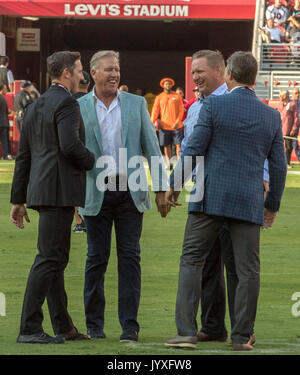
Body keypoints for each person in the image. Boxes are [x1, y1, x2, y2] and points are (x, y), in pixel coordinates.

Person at [164, 51, 287, 351]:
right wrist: (271, 206)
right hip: (248, 201)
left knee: (192, 260)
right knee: (247, 270)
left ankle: (185, 333)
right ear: (255, 79)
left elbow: (193, 148)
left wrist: (174, 185)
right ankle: (242, 337)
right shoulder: (270, 115)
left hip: (210, 197)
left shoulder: (214, 106)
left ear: (229, 75)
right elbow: (280, 166)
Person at [78, 50, 169, 342]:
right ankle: (94, 325)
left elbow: (152, 148)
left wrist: (160, 189)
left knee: (130, 258)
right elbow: (73, 156)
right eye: (108, 70)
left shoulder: (136, 104)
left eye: (117, 69)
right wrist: (73, 201)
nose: (115, 75)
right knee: (96, 258)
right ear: (93, 73)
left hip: (130, 193)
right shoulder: (79, 107)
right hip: (96, 192)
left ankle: (130, 326)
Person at [10, 50, 95, 344]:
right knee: (49, 259)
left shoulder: (36, 106)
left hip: (41, 191)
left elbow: (24, 157)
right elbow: (70, 146)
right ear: (67, 73)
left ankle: (63, 326)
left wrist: (18, 200)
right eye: (80, 69)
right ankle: (29, 327)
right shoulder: (67, 103)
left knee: (55, 259)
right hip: (59, 192)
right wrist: (92, 160)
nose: (83, 75)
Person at [72, 70, 91, 233]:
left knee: (75, 186)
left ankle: (79, 221)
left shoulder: (68, 101)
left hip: (75, 149)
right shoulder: (95, 101)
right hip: (95, 151)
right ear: (89, 84)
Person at [151, 77, 184, 166]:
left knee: (179, 145)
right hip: (164, 126)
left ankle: (180, 164)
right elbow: (155, 111)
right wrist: (152, 122)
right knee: (167, 145)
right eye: (166, 84)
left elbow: (181, 110)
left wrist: (177, 121)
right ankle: (169, 163)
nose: (168, 85)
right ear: (163, 85)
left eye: (169, 84)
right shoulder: (159, 97)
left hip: (176, 126)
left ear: (172, 85)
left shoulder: (177, 96)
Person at [278, 90, 299, 168]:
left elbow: (296, 117)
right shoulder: (280, 104)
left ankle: (287, 162)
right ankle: (281, 162)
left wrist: (294, 128)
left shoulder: (293, 104)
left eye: (280, 96)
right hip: (280, 129)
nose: (279, 97)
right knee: (279, 146)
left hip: (289, 130)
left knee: (289, 147)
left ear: (285, 96)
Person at [0, 83, 13, 160]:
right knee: (5, 140)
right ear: (1, 89)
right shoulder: (2, 98)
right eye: (5, 88)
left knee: (4, 140)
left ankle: (6, 155)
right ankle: (6, 155)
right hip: (4, 123)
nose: (7, 90)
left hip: (2, 122)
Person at [291, 87, 300, 162]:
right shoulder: (291, 104)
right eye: (296, 93)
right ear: (292, 94)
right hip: (294, 125)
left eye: (298, 93)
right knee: (293, 142)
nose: (298, 95)